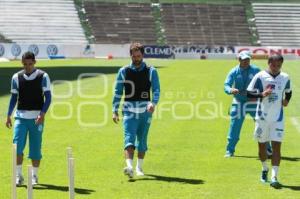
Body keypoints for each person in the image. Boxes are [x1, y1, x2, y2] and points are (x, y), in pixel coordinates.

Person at [112, 43, 160, 178]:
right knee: (129, 138)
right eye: (134, 56)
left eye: (139, 56)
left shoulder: (151, 71)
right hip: (129, 111)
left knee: (142, 140)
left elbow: (156, 90)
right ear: (130, 56)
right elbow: (118, 91)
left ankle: (139, 167)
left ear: (143, 55)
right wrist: (114, 110)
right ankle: (129, 167)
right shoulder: (124, 71)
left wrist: (153, 103)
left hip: (146, 112)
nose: (137, 58)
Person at [6, 51, 52, 186]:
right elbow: (14, 97)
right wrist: (8, 115)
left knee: (35, 149)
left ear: (35, 62)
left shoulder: (43, 76)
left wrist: (42, 114)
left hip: (37, 119)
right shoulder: (16, 77)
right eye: (25, 64)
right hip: (20, 117)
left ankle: (34, 176)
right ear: (22, 63)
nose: (28, 67)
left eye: (30, 64)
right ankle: (19, 175)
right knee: (17, 147)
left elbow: (48, 97)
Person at [247, 54, 292, 188]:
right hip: (262, 118)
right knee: (262, 147)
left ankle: (274, 177)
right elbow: (248, 93)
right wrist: (262, 94)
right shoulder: (260, 76)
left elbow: (289, 92)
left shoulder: (285, 77)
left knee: (277, 146)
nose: (276, 68)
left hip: (278, 118)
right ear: (268, 63)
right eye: (273, 65)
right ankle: (264, 168)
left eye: (279, 65)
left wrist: (286, 100)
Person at [224, 50, 272, 157]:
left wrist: (263, 92)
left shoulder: (256, 70)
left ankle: (268, 149)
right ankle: (229, 151)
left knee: (262, 125)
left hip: (254, 102)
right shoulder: (234, 71)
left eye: (247, 59)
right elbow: (226, 84)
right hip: (239, 102)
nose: (246, 61)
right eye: (243, 59)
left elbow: (265, 81)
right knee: (234, 127)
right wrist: (230, 90)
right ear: (239, 59)